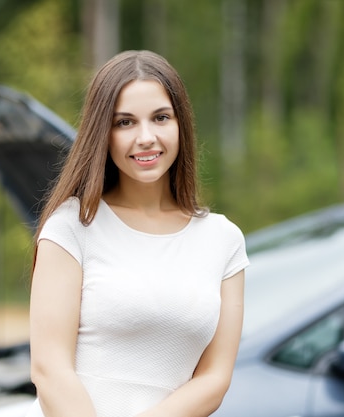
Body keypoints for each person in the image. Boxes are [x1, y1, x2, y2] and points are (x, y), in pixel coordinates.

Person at [26, 50, 249, 417]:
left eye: (161, 117)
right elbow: (50, 370)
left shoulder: (223, 240)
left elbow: (214, 378)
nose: (146, 137)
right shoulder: (71, 227)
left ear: (181, 125)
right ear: (103, 133)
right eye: (125, 122)